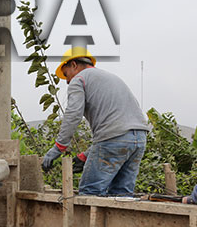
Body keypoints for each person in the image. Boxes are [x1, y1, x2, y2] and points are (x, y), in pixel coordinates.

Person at [41, 47, 151, 196]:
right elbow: (121, 128)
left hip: (114, 139)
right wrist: (86, 155)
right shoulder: (112, 78)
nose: (67, 81)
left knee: (90, 193)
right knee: (122, 196)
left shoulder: (79, 79)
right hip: (140, 140)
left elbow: (73, 115)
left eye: (66, 74)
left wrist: (58, 148)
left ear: (74, 65)